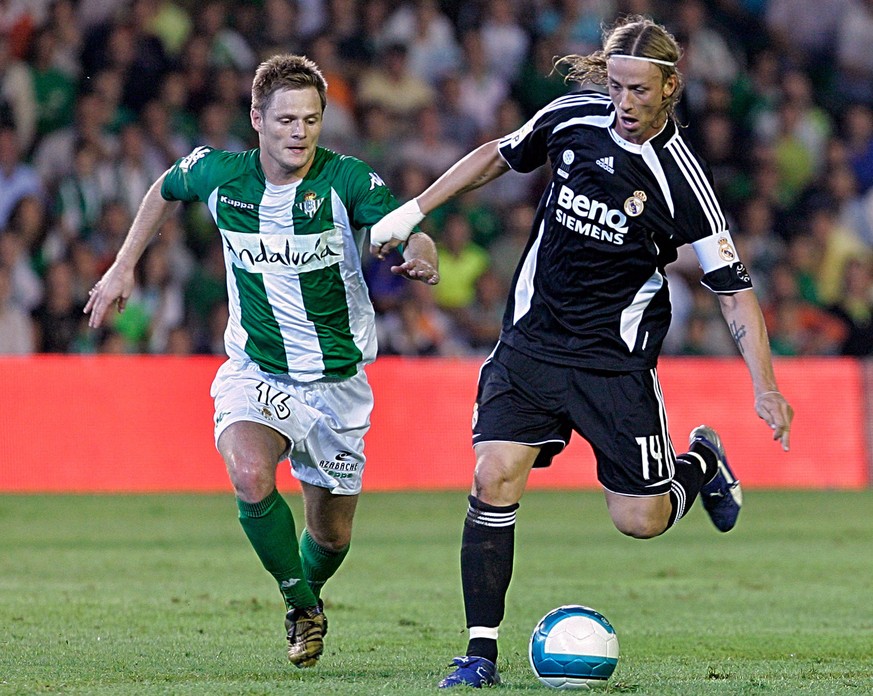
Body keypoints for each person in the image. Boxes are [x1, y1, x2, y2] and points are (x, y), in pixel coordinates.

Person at [370, 15, 794, 689]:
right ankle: (479, 654)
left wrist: (764, 387)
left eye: (638, 91)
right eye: (616, 86)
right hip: (531, 342)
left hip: (611, 364)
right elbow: (493, 155)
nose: (623, 103)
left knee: (640, 520)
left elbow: (733, 293)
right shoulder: (570, 118)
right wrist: (413, 210)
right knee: (492, 476)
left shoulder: (684, 185)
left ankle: (703, 459)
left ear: (670, 87)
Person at [85, 54, 439, 669]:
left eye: (310, 119)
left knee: (331, 536)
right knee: (250, 475)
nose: (298, 132)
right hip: (257, 370)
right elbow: (163, 189)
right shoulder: (220, 174)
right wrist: (123, 264)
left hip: (337, 384)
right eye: (285, 121)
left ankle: (308, 589)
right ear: (257, 119)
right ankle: (299, 603)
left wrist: (423, 250)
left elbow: (404, 225)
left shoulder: (346, 180)